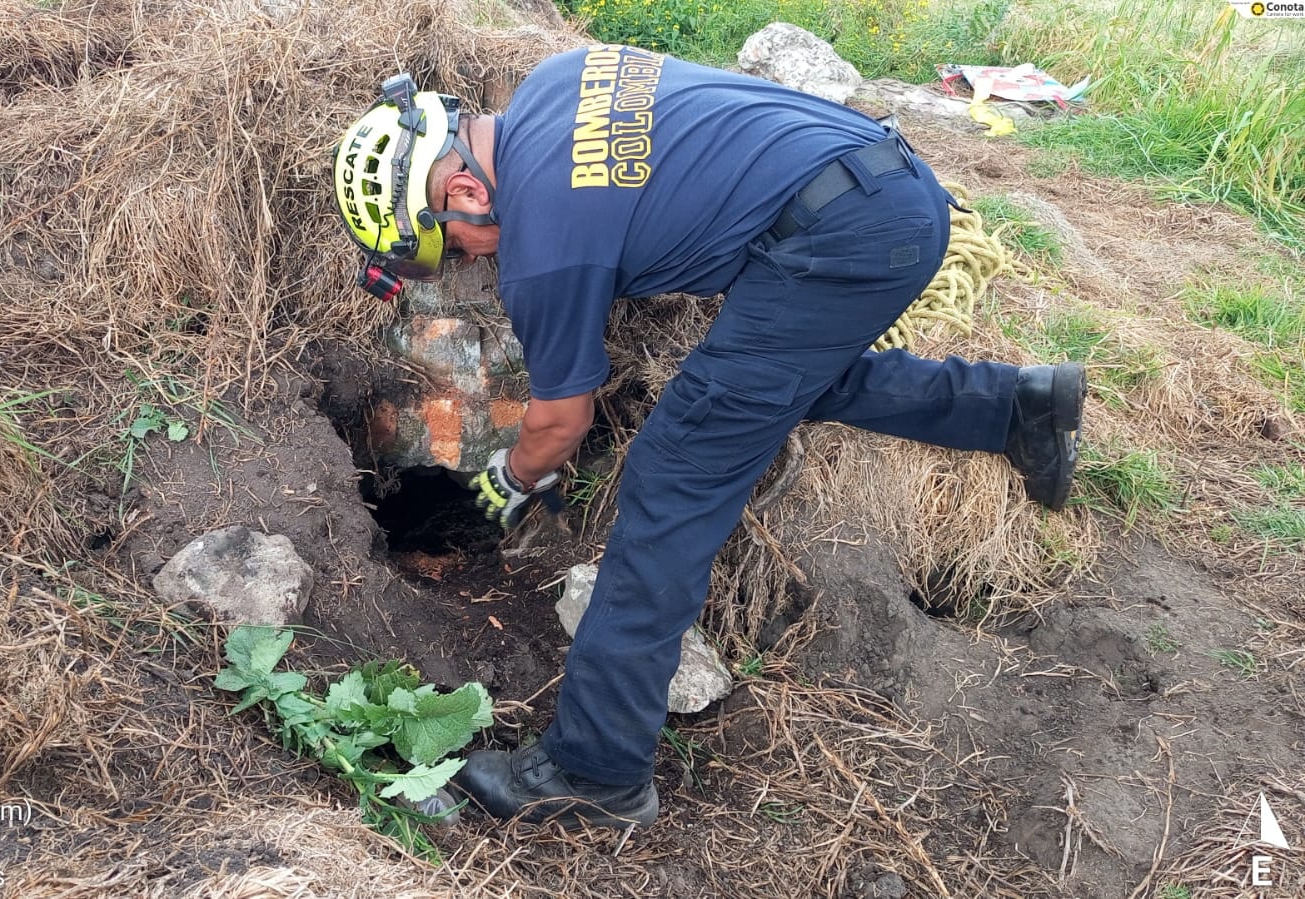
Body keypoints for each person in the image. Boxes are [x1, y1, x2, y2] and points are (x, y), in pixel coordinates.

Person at [330, 45, 1084, 830]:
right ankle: (1014, 408)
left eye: (451, 246)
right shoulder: (558, 79)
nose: (467, 261)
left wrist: (511, 477)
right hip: (882, 185)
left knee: (671, 478)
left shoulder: (544, 252)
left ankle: (594, 768)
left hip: (843, 238)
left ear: (462, 191)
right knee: (767, 380)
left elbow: (559, 420)